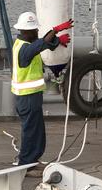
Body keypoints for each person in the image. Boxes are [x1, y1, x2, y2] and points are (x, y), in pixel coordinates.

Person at [11, 11, 72, 174]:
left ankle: (31, 160)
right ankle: (26, 164)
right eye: (35, 30)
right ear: (28, 31)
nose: (37, 32)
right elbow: (39, 45)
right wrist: (55, 30)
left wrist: (57, 41)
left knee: (35, 131)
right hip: (27, 97)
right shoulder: (24, 50)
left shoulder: (23, 43)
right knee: (31, 131)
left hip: (30, 97)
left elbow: (41, 44)